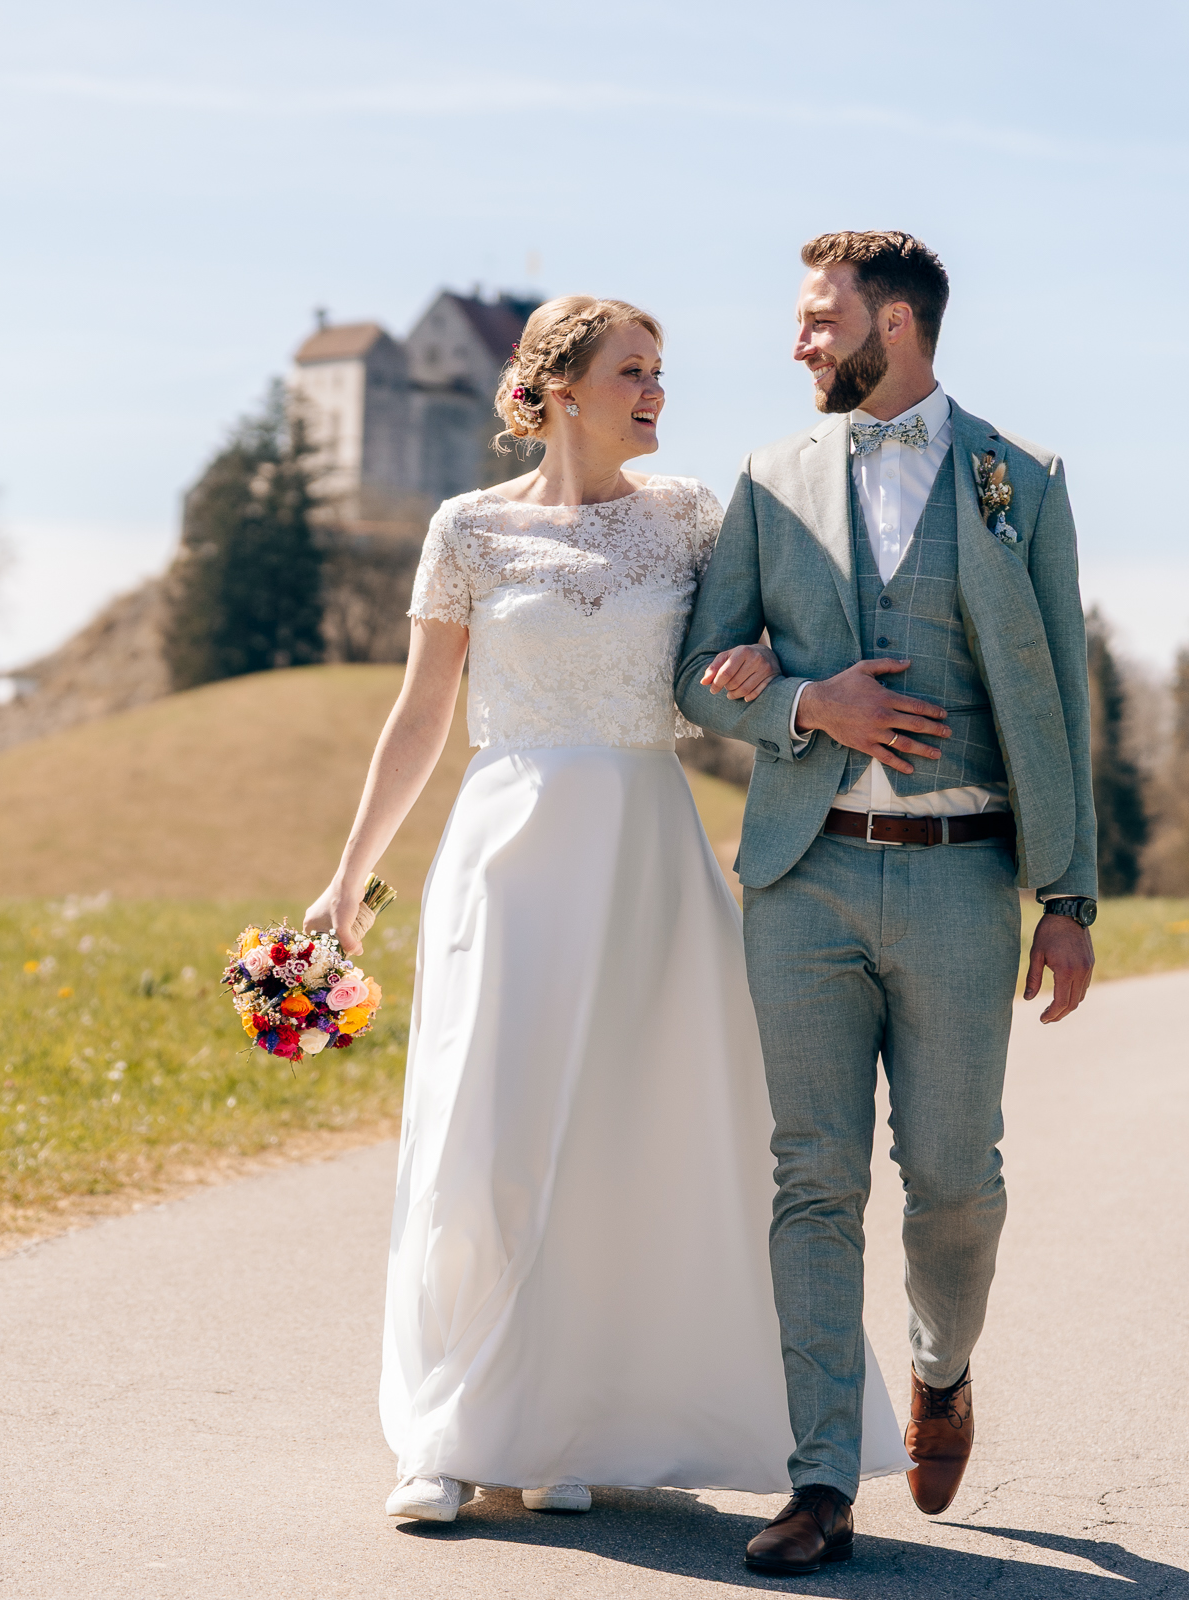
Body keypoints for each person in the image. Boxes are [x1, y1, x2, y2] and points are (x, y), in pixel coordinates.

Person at [305, 294, 907, 1526]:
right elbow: (422, 715)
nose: (656, 392)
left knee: (613, 1145)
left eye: (661, 371)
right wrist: (346, 878)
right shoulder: (466, 529)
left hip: (645, 852)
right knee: (483, 1132)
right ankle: (444, 1431)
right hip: (508, 854)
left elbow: (746, 654)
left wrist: (791, 687)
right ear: (558, 387)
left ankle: (557, 1417)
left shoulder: (689, 517)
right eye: (633, 370)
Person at [677, 232, 1099, 1577]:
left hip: (966, 881)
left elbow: (1061, 699)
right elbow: (695, 676)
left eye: (819, 319)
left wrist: (1070, 892)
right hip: (802, 876)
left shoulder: (1020, 482)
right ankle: (817, 1479)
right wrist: (807, 701)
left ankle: (943, 1366)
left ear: (896, 325)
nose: (798, 343)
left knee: (955, 1182)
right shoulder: (765, 478)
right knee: (813, 1180)